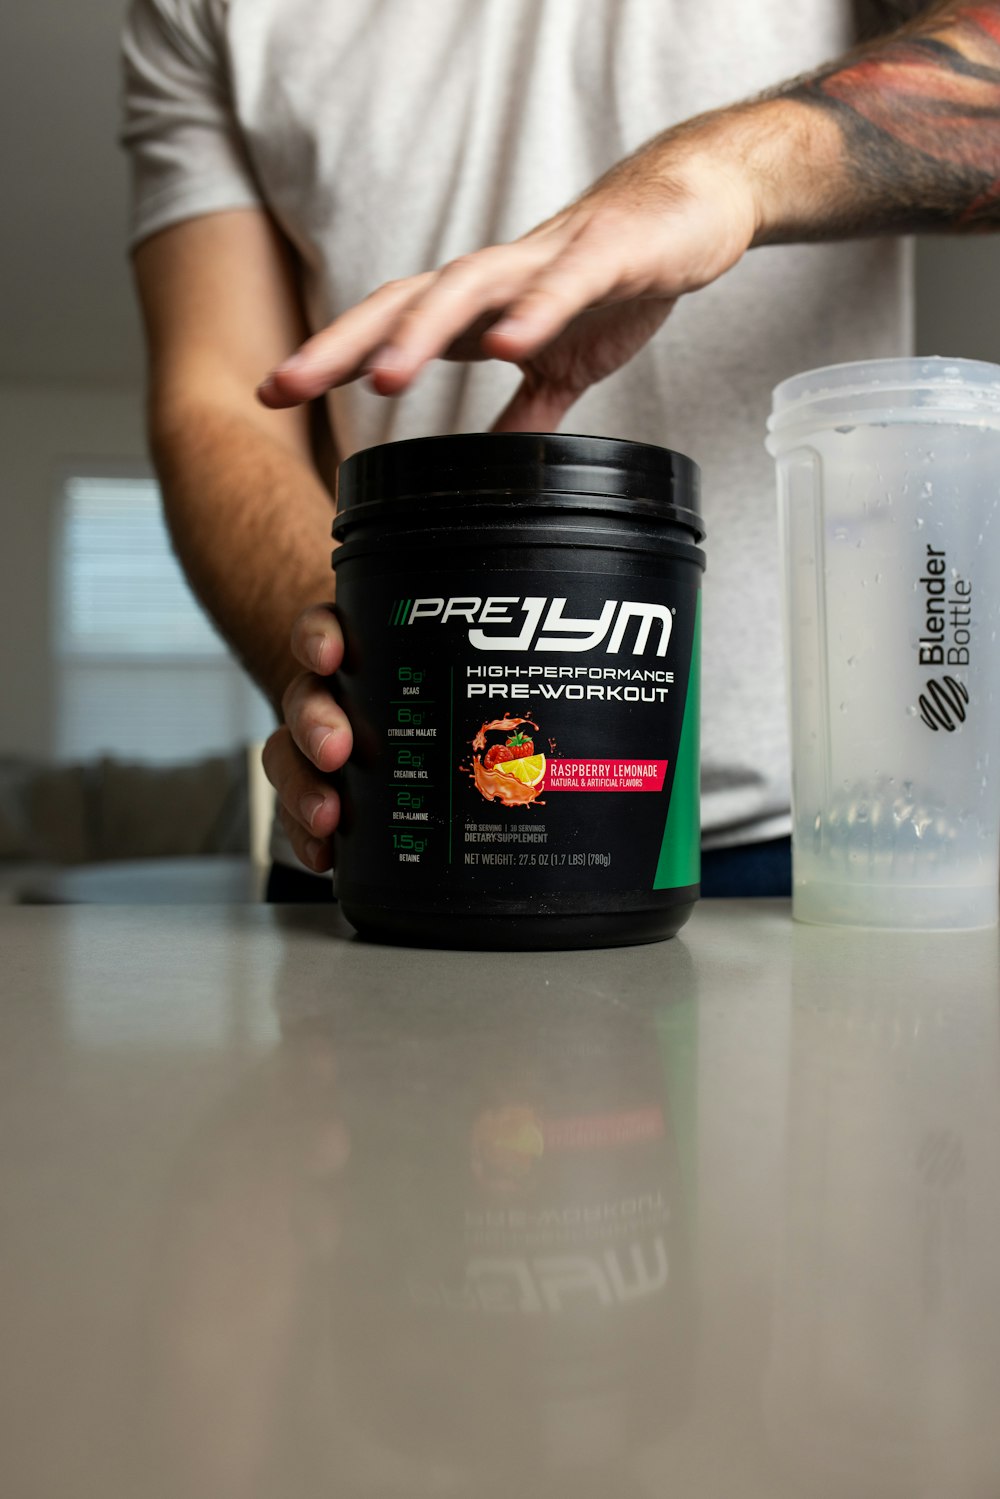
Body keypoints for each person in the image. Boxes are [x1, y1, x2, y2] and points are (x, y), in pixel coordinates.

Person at [121, 0, 1000, 900]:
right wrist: (344, 662)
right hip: (398, 821)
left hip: (805, 848)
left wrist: (725, 175)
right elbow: (221, 398)